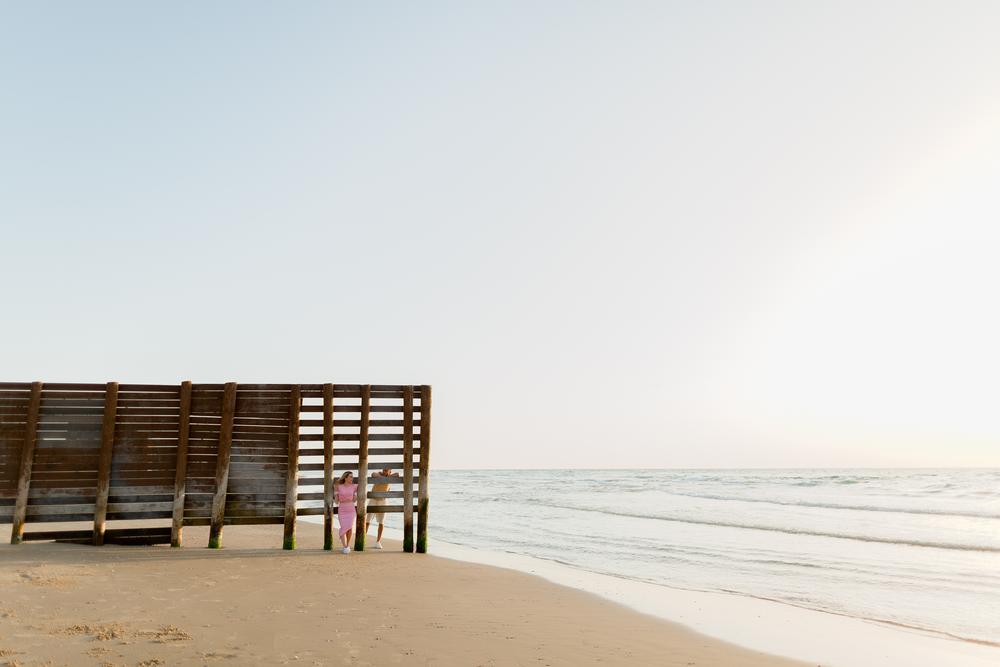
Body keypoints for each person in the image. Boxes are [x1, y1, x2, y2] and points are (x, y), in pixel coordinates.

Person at [366, 467, 400, 550]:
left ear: (389, 471)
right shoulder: (378, 474)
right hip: (373, 499)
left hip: (383, 500)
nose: (384, 471)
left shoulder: (390, 477)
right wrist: (383, 476)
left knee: (381, 522)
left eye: (386, 470)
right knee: (367, 520)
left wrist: (388, 476)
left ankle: (378, 542)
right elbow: (373, 474)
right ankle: (363, 538)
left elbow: (398, 474)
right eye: (384, 470)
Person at [334, 471, 358, 554]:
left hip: (351, 509)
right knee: (344, 527)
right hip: (342, 509)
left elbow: (355, 499)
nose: (352, 478)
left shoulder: (355, 486)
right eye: (350, 477)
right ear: (345, 478)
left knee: (350, 527)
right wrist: (336, 493)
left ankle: (347, 545)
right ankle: (344, 546)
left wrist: (355, 495)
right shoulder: (339, 487)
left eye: (352, 477)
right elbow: (336, 502)